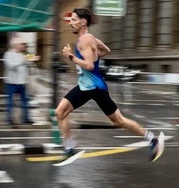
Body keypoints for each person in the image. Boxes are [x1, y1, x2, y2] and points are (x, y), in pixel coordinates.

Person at [51, 8, 164, 165]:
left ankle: (153, 140)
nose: (71, 22)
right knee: (62, 112)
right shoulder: (89, 39)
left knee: (117, 121)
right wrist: (93, 56)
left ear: (83, 22)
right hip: (87, 86)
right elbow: (106, 50)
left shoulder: (85, 40)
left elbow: (89, 66)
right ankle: (70, 149)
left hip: (93, 87)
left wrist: (71, 57)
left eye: (74, 19)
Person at [3, 37, 35, 125]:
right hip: (12, 82)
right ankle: (9, 118)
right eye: (21, 44)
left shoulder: (24, 53)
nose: (22, 46)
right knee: (10, 101)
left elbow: (32, 60)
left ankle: (26, 118)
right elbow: (11, 66)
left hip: (22, 82)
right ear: (15, 45)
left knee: (25, 100)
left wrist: (31, 57)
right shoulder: (8, 54)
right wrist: (23, 60)